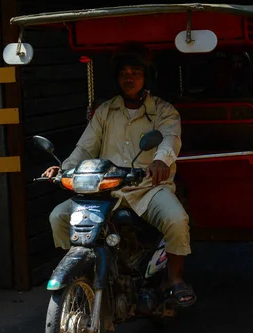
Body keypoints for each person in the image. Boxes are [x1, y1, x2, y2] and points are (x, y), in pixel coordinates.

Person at [42, 41, 197, 307]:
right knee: (58, 216)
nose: (129, 78)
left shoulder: (163, 110)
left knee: (177, 219)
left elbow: (170, 140)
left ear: (146, 77)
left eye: (135, 72)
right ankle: (81, 273)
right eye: (124, 73)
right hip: (107, 191)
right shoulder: (105, 111)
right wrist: (64, 169)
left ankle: (175, 278)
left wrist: (160, 162)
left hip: (148, 189)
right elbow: (85, 146)